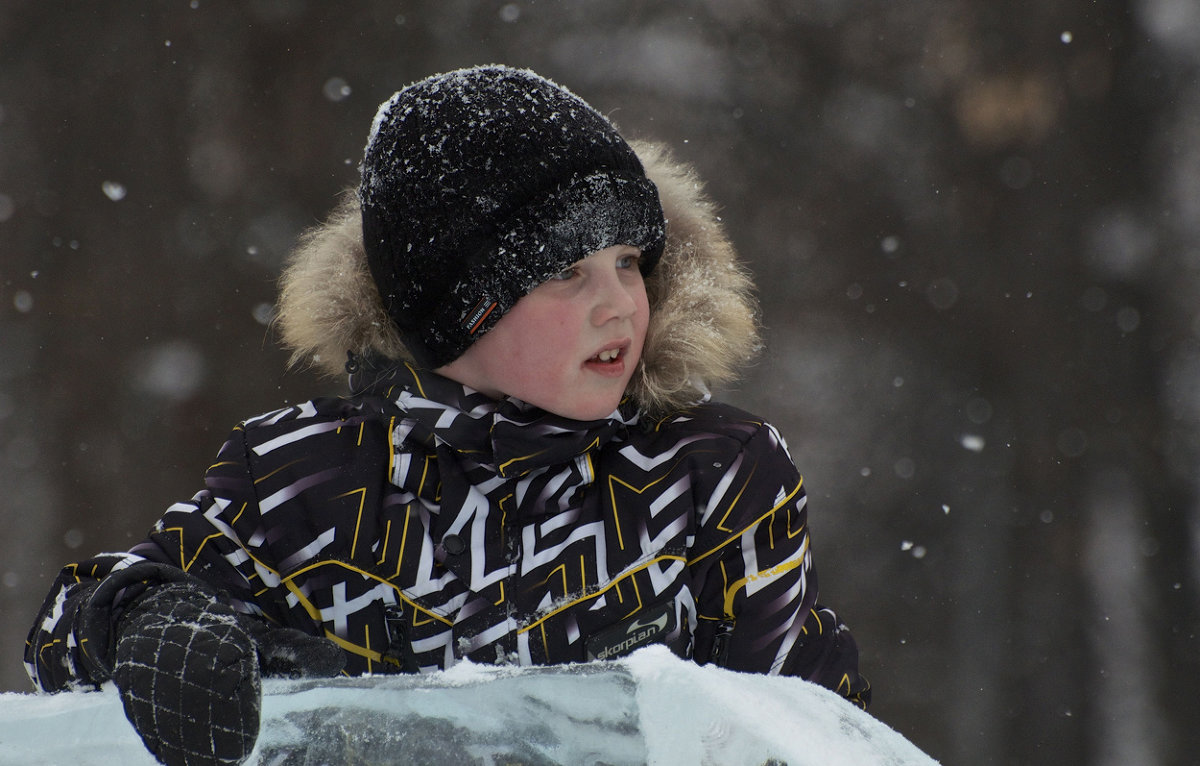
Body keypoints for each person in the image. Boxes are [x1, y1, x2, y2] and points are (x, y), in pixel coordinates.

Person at [25, 65, 870, 766]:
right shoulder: (302, 480)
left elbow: (809, 723)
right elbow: (67, 632)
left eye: (628, 261)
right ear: (455, 310)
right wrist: (147, 623)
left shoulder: (711, 475)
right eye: (566, 273)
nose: (619, 304)